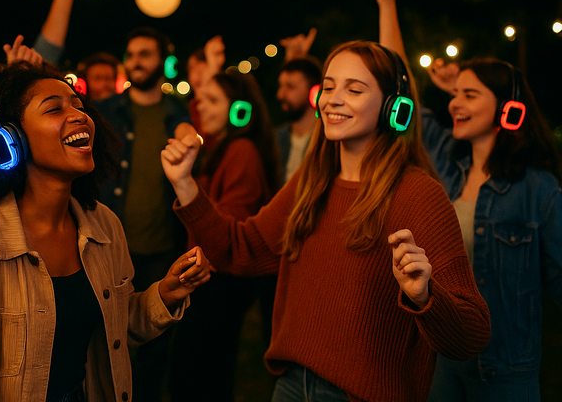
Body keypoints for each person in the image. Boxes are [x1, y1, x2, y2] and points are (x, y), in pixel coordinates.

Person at [161, 39, 492, 402]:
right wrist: (185, 183)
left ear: (394, 107)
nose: (333, 98)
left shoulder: (418, 194)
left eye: (354, 89)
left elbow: (472, 335)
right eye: (329, 86)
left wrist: (425, 296)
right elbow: (238, 249)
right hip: (290, 386)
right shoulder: (311, 181)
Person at [0, 62, 211, 402]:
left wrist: (165, 293)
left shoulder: (104, 226)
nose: (79, 115)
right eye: (54, 109)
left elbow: (113, 327)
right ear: (8, 139)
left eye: (79, 105)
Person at [373, 0, 562, 401]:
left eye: (470, 95)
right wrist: (387, 4)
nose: (455, 103)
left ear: (509, 109)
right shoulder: (447, 170)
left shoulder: (539, 190)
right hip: (442, 362)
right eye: (455, 93)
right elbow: (404, 92)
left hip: (507, 374)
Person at [96, 26, 195, 401]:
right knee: (105, 343)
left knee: (154, 352)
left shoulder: (176, 114)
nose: (136, 61)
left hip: (160, 250)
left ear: (162, 62)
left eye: (145, 54)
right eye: (131, 54)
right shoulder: (107, 113)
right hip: (109, 248)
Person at [169, 71, 278, 402]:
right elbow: (187, 117)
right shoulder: (220, 145)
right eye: (202, 99)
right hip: (208, 277)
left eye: (213, 101)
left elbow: (230, 232)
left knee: (202, 378)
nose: (201, 106)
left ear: (239, 110)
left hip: (219, 280)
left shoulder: (242, 151)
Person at [276, 56, 322, 187]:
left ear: (315, 92)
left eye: (290, 87)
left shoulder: (326, 141)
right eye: (281, 86)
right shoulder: (276, 139)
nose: (280, 94)